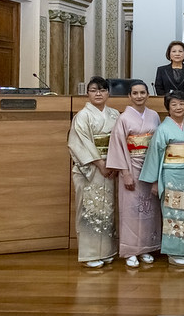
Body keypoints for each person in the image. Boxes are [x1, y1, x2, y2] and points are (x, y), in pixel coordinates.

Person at [105, 79, 161, 268]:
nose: (139, 96)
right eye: (135, 93)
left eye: (142, 92)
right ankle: (130, 250)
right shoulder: (123, 118)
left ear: (148, 95)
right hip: (131, 165)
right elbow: (117, 146)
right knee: (131, 211)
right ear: (129, 96)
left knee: (149, 209)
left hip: (150, 165)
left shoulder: (154, 116)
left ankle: (146, 248)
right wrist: (125, 173)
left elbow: (158, 143)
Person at [139, 90, 184, 267]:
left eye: (181, 104)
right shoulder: (163, 129)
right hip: (171, 173)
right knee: (173, 212)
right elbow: (155, 155)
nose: (178, 107)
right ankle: (174, 252)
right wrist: (155, 181)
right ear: (168, 108)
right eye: (174, 104)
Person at [67, 76, 120, 268]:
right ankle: (90, 254)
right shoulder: (82, 116)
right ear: (87, 93)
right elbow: (79, 143)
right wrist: (99, 163)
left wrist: (114, 163)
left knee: (108, 209)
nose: (98, 94)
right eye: (94, 90)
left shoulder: (115, 114)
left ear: (108, 93)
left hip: (110, 166)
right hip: (90, 168)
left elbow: (119, 140)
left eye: (102, 90)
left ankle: (106, 251)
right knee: (90, 209)